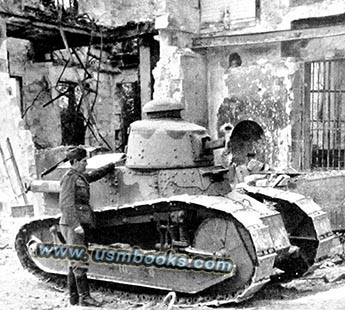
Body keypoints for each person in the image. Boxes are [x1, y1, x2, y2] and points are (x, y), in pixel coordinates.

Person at [59, 147, 115, 307]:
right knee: (78, 260)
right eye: (84, 161)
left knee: (73, 261)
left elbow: (91, 176)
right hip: (72, 224)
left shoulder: (79, 176)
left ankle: (74, 298)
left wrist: (110, 166)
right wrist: (75, 225)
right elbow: (66, 204)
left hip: (77, 222)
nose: (86, 163)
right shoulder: (69, 178)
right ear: (75, 162)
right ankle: (85, 298)